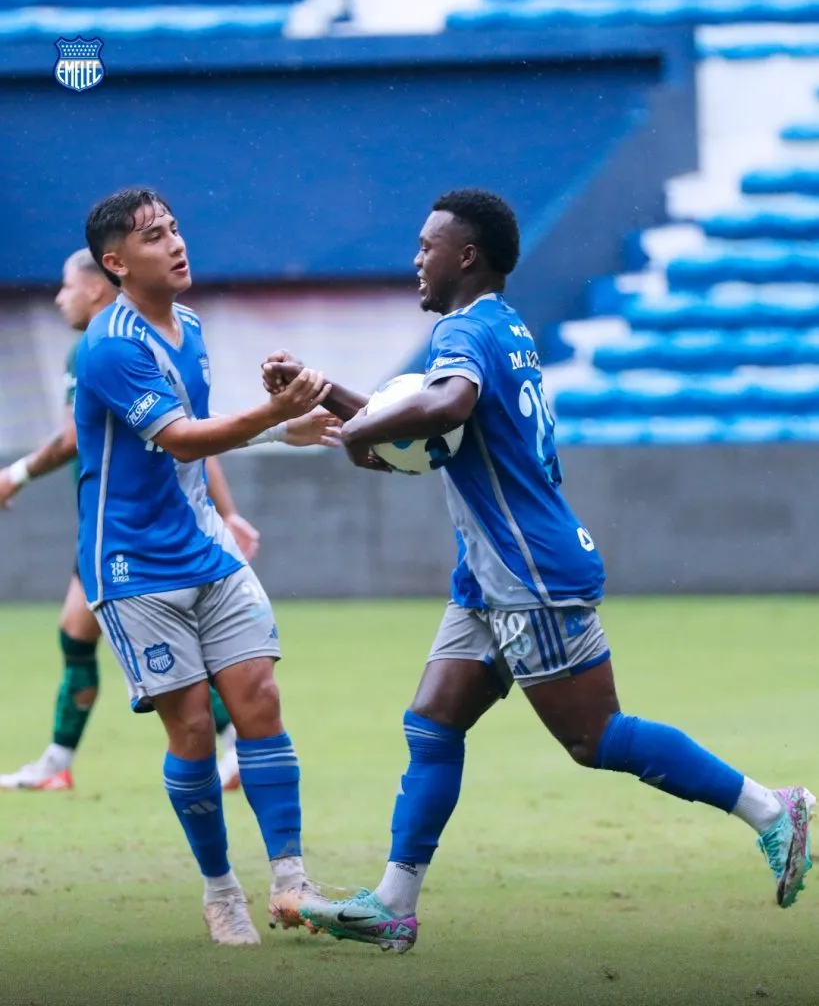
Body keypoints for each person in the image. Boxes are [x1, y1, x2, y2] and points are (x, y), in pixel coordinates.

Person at [265, 189, 814, 954]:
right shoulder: (502, 326)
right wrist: (325, 393)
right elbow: (436, 433)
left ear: (465, 256)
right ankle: (393, 903)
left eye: (427, 247)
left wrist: (355, 430)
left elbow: (445, 407)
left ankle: (771, 808)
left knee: (595, 737)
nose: (415, 259)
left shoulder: (463, 331)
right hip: (489, 574)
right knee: (432, 722)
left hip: (528, 570)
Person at [75, 187, 337, 945]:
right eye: (154, 236)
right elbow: (182, 438)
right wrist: (275, 414)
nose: (176, 243)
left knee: (259, 699)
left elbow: (194, 439)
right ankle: (221, 892)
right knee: (191, 727)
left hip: (206, 550)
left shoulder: (188, 326)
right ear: (117, 263)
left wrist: (277, 433)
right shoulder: (111, 345)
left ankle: (291, 882)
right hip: (132, 566)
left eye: (175, 228)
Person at [0, 250, 263, 791]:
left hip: (133, 532)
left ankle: (233, 744)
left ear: (98, 286)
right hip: (129, 528)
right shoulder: (147, 336)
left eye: (66, 286)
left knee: (170, 665)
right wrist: (229, 512)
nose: (59, 298)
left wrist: (17, 473)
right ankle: (57, 762)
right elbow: (192, 433)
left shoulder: (98, 347)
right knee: (76, 634)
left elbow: (81, 439)